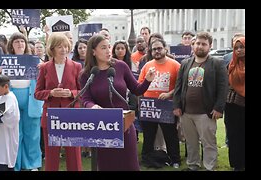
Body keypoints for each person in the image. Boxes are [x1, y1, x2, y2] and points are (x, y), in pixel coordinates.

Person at [80, 34, 155, 171]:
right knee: (107, 165)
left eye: (109, 47)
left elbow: (137, 90)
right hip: (102, 126)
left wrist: (147, 80)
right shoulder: (87, 74)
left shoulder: (120, 66)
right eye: (103, 48)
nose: (109, 50)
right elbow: (85, 99)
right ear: (93, 51)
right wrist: (93, 106)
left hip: (124, 124)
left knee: (129, 165)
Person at [173, 32, 228, 171]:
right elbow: (178, 86)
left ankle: (209, 166)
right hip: (186, 112)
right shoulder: (185, 63)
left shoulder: (217, 63)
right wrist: (177, 105)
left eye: (204, 44)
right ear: (193, 45)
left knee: (208, 143)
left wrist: (218, 108)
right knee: (191, 143)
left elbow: (223, 88)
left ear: (210, 46)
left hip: (206, 112)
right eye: (198, 43)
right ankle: (193, 165)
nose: (200, 46)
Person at [34, 32, 83, 171]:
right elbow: (37, 93)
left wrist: (72, 93)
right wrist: (50, 93)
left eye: (66, 46)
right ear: (52, 48)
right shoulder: (44, 67)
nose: (64, 49)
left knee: (74, 153)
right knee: (51, 154)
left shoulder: (76, 66)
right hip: (51, 115)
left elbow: (83, 92)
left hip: (71, 115)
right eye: (60, 46)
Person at [138, 38, 181, 169]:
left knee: (170, 135)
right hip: (149, 106)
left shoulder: (175, 65)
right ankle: (146, 159)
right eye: (154, 49)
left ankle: (175, 160)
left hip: (167, 107)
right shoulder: (147, 65)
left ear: (165, 49)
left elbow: (180, 86)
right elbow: (140, 85)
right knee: (148, 135)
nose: (157, 51)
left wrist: (169, 94)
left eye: (159, 48)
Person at [6, 32, 43, 171]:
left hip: (31, 100)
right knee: (15, 134)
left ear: (26, 44)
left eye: (22, 41)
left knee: (32, 134)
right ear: (12, 45)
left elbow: (43, 77)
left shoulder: (35, 61)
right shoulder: (3, 62)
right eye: (16, 42)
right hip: (12, 100)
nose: (20, 44)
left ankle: (32, 164)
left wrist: (42, 68)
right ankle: (15, 164)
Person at [224, 37, 245, 171]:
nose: (238, 50)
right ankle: (237, 164)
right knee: (233, 135)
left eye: (241, 47)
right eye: (236, 48)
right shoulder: (231, 64)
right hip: (232, 105)